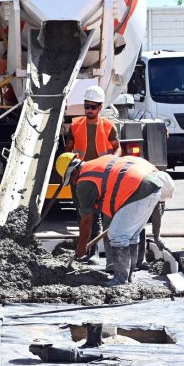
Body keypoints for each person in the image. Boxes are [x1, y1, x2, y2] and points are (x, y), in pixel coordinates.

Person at [55, 152, 174, 286]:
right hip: (153, 188)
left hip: (137, 190)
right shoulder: (98, 162)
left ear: (74, 172)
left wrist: (82, 246)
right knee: (132, 235)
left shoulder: (85, 180)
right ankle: (128, 276)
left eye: (70, 179)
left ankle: (120, 279)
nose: (72, 182)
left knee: (117, 235)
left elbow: (87, 219)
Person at [64, 85, 121, 262]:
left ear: (100, 108)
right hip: (79, 176)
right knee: (82, 214)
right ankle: (87, 249)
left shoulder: (108, 126)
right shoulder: (75, 125)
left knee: (95, 215)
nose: (89, 110)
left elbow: (117, 148)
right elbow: (68, 151)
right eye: (86, 106)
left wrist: (112, 163)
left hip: (100, 177)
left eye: (93, 107)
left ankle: (93, 252)